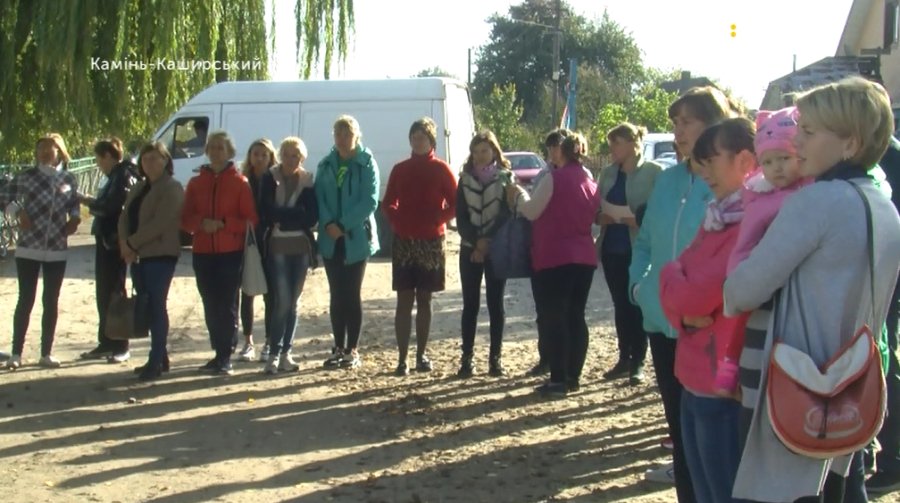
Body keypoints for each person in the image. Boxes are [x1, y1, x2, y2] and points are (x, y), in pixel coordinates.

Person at [725, 76, 900, 503]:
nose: (796, 140)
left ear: (849, 143)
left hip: (795, 390)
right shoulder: (884, 206)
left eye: (808, 131)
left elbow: (742, 291)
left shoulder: (816, 202)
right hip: (850, 391)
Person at [629, 85, 740, 495]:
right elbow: (644, 242)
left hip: (711, 334)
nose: (678, 131)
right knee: (680, 433)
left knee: (716, 445)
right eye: (675, 122)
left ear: (714, 124)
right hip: (663, 325)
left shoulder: (731, 185)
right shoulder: (667, 180)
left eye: (687, 122)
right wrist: (640, 289)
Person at [659, 118, 756, 503]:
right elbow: (675, 273)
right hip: (694, 376)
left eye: (711, 161)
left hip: (721, 384)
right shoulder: (719, 216)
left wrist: (676, 288)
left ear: (744, 160)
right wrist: (680, 308)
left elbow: (696, 290)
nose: (704, 173)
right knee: (703, 489)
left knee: (722, 491)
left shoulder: (750, 223)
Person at [712, 107, 808, 398]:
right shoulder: (759, 198)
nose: (777, 168)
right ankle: (729, 367)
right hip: (761, 279)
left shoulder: (813, 190)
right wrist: (738, 278)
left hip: (797, 287)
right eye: (768, 161)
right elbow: (745, 243)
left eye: (784, 158)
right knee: (743, 324)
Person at [508, 132, 600, 396]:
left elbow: (532, 211)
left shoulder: (553, 178)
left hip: (555, 255)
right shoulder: (588, 179)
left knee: (555, 318)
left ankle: (558, 378)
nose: (550, 153)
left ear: (563, 151)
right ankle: (573, 375)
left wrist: (518, 196)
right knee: (576, 317)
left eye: (553, 148)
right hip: (584, 256)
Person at [382, 118, 457, 376]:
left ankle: (421, 355)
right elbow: (388, 202)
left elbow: (456, 202)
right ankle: (402, 358)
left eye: (422, 137)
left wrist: (439, 218)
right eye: (414, 137)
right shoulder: (400, 169)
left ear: (431, 141)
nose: (417, 141)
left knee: (425, 298)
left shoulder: (441, 169)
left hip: (431, 241)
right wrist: (396, 220)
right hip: (404, 241)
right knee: (404, 299)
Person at [181, 130, 258, 376]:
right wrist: (201, 223)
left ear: (229, 152)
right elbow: (185, 218)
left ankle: (225, 354)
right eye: (212, 147)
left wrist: (224, 224)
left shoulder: (240, 183)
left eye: (220, 148)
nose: (215, 152)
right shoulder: (196, 183)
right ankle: (218, 351)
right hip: (203, 252)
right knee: (210, 302)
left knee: (226, 304)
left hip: (229, 252)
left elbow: (250, 220)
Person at [2, 134, 80, 370]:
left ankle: (46, 353)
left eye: (50, 148)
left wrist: (75, 218)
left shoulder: (68, 178)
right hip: (29, 246)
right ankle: (16, 353)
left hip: (56, 247)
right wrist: (17, 212)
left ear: (59, 152)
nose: (45, 152)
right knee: (26, 299)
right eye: (41, 148)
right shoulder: (26, 176)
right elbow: (4, 198)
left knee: (51, 300)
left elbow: (73, 204)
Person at [596, 123, 663, 385]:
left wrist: (641, 220)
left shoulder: (654, 172)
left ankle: (638, 361)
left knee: (638, 304)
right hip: (612, 246)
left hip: (639, 249)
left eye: (617, 143)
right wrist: (599, 216)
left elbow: (660, 209)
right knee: (620, 305)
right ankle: (624, 357)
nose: (612, 149)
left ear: (634, 143)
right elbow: (596, 203)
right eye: (610, 144)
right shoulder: (608, 173)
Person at [315, 115, 380, 370]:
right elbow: (319, 197)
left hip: (356, 238)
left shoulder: (366, 163)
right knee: (336, 294)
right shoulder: (325, 164)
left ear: (356, 136)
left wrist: (343, 225)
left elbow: (370, 200)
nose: (342, 139)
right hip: (330, 238)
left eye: (347, 134)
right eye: (338, 134)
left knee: (351, 294)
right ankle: (338, 347)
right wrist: (329, 224)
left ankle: (352, 349)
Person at [118, 142, 184, 380]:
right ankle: (160, 357)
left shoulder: (172, 187)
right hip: (137, 255)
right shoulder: (139, 187)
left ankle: (155, 361)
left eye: (155, 158)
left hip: (160, 254)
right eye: (145, 159)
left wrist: (132, 243)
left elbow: (161, 223)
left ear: (166, 161)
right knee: (146, 305)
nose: (150, 164)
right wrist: (124, 244)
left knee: (156, 305)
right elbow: (125, 217)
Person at [455, 131, 513, 378]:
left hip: (496, 248)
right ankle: (467, 358)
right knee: (470, 304)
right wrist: (476, 242)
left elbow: (507, 214)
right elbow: (460, 217)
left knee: (495, 304)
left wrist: (487, 241)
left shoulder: (505, 179)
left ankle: (495, 359)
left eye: (485, 151)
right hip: (470, 248)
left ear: (494, 152)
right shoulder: (464, 181)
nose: (480, 156)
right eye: (476, 151)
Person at [258, 137, 318, 374]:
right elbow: (266, 211)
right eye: (287, 155)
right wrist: (292, 214)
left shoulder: (308, 180)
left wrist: (284, 216)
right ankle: (273, 353)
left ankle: (286, 354)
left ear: (302, 158)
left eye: (296, 156)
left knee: (293, 302)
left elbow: (311, 216)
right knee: (282, 300)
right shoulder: (269, 178)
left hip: (300, 246)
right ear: (281, 155)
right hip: (277, 246)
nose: (291, 160)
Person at [79, 138, 139, 364]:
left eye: (98, 159)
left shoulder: (122, 176)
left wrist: (86, 201)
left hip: (115, 241)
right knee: (105, 291)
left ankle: (121, 344)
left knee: (114, 292)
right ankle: (107, 340)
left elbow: (111, 207)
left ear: (107, 156)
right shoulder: (116, 176)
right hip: (107, 240)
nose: (98, 165)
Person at [868, 136, 900, 495]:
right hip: (882, 273)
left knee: (881, 360)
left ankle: (893, 458)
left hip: (885, 276)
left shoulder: (887, 158)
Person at [526, 128, 571, 377]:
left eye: (558, 146)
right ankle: (545, 357)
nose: (554, 151)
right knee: (543, 310)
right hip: (542, 248)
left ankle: (564, 363)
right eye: (550, 146)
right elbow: (534, 210)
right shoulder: (543, 174)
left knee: (565, 311)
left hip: (564, 250)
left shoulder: (577, 174)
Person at [236, 138, 277, 363]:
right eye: (256, 154)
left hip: (269, 240)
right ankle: (248, 341)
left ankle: (270, 340)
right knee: (248, 291)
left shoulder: (276, 179)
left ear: (270, 157)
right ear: (250, 156)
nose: (259, 158)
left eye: (264, 154)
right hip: (248, 240)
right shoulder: (243, 180)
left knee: (270, 293)